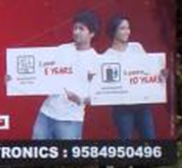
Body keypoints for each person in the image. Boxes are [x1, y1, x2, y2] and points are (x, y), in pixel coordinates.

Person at [32, 9, 98, 140]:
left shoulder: (96, 60)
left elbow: (98, 94)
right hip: (46, 114)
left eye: (81, 28)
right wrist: (14, 80)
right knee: (36, 156)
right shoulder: (62, 49)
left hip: (70, 119)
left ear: (92, 33)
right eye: (75, 28)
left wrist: (80, 100)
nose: (76, 32)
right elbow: (40, 71)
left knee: (68, 159)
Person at [102, 15, 159, 141]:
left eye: (128, 28)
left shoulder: (137, 47)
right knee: (125, 142)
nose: (127, 31)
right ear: (113, 31)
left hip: (142, 105)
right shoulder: (106, 57)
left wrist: (159, 74)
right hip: (122, 107)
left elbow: (149, 71)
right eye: (122, 28)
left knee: (150, 140)